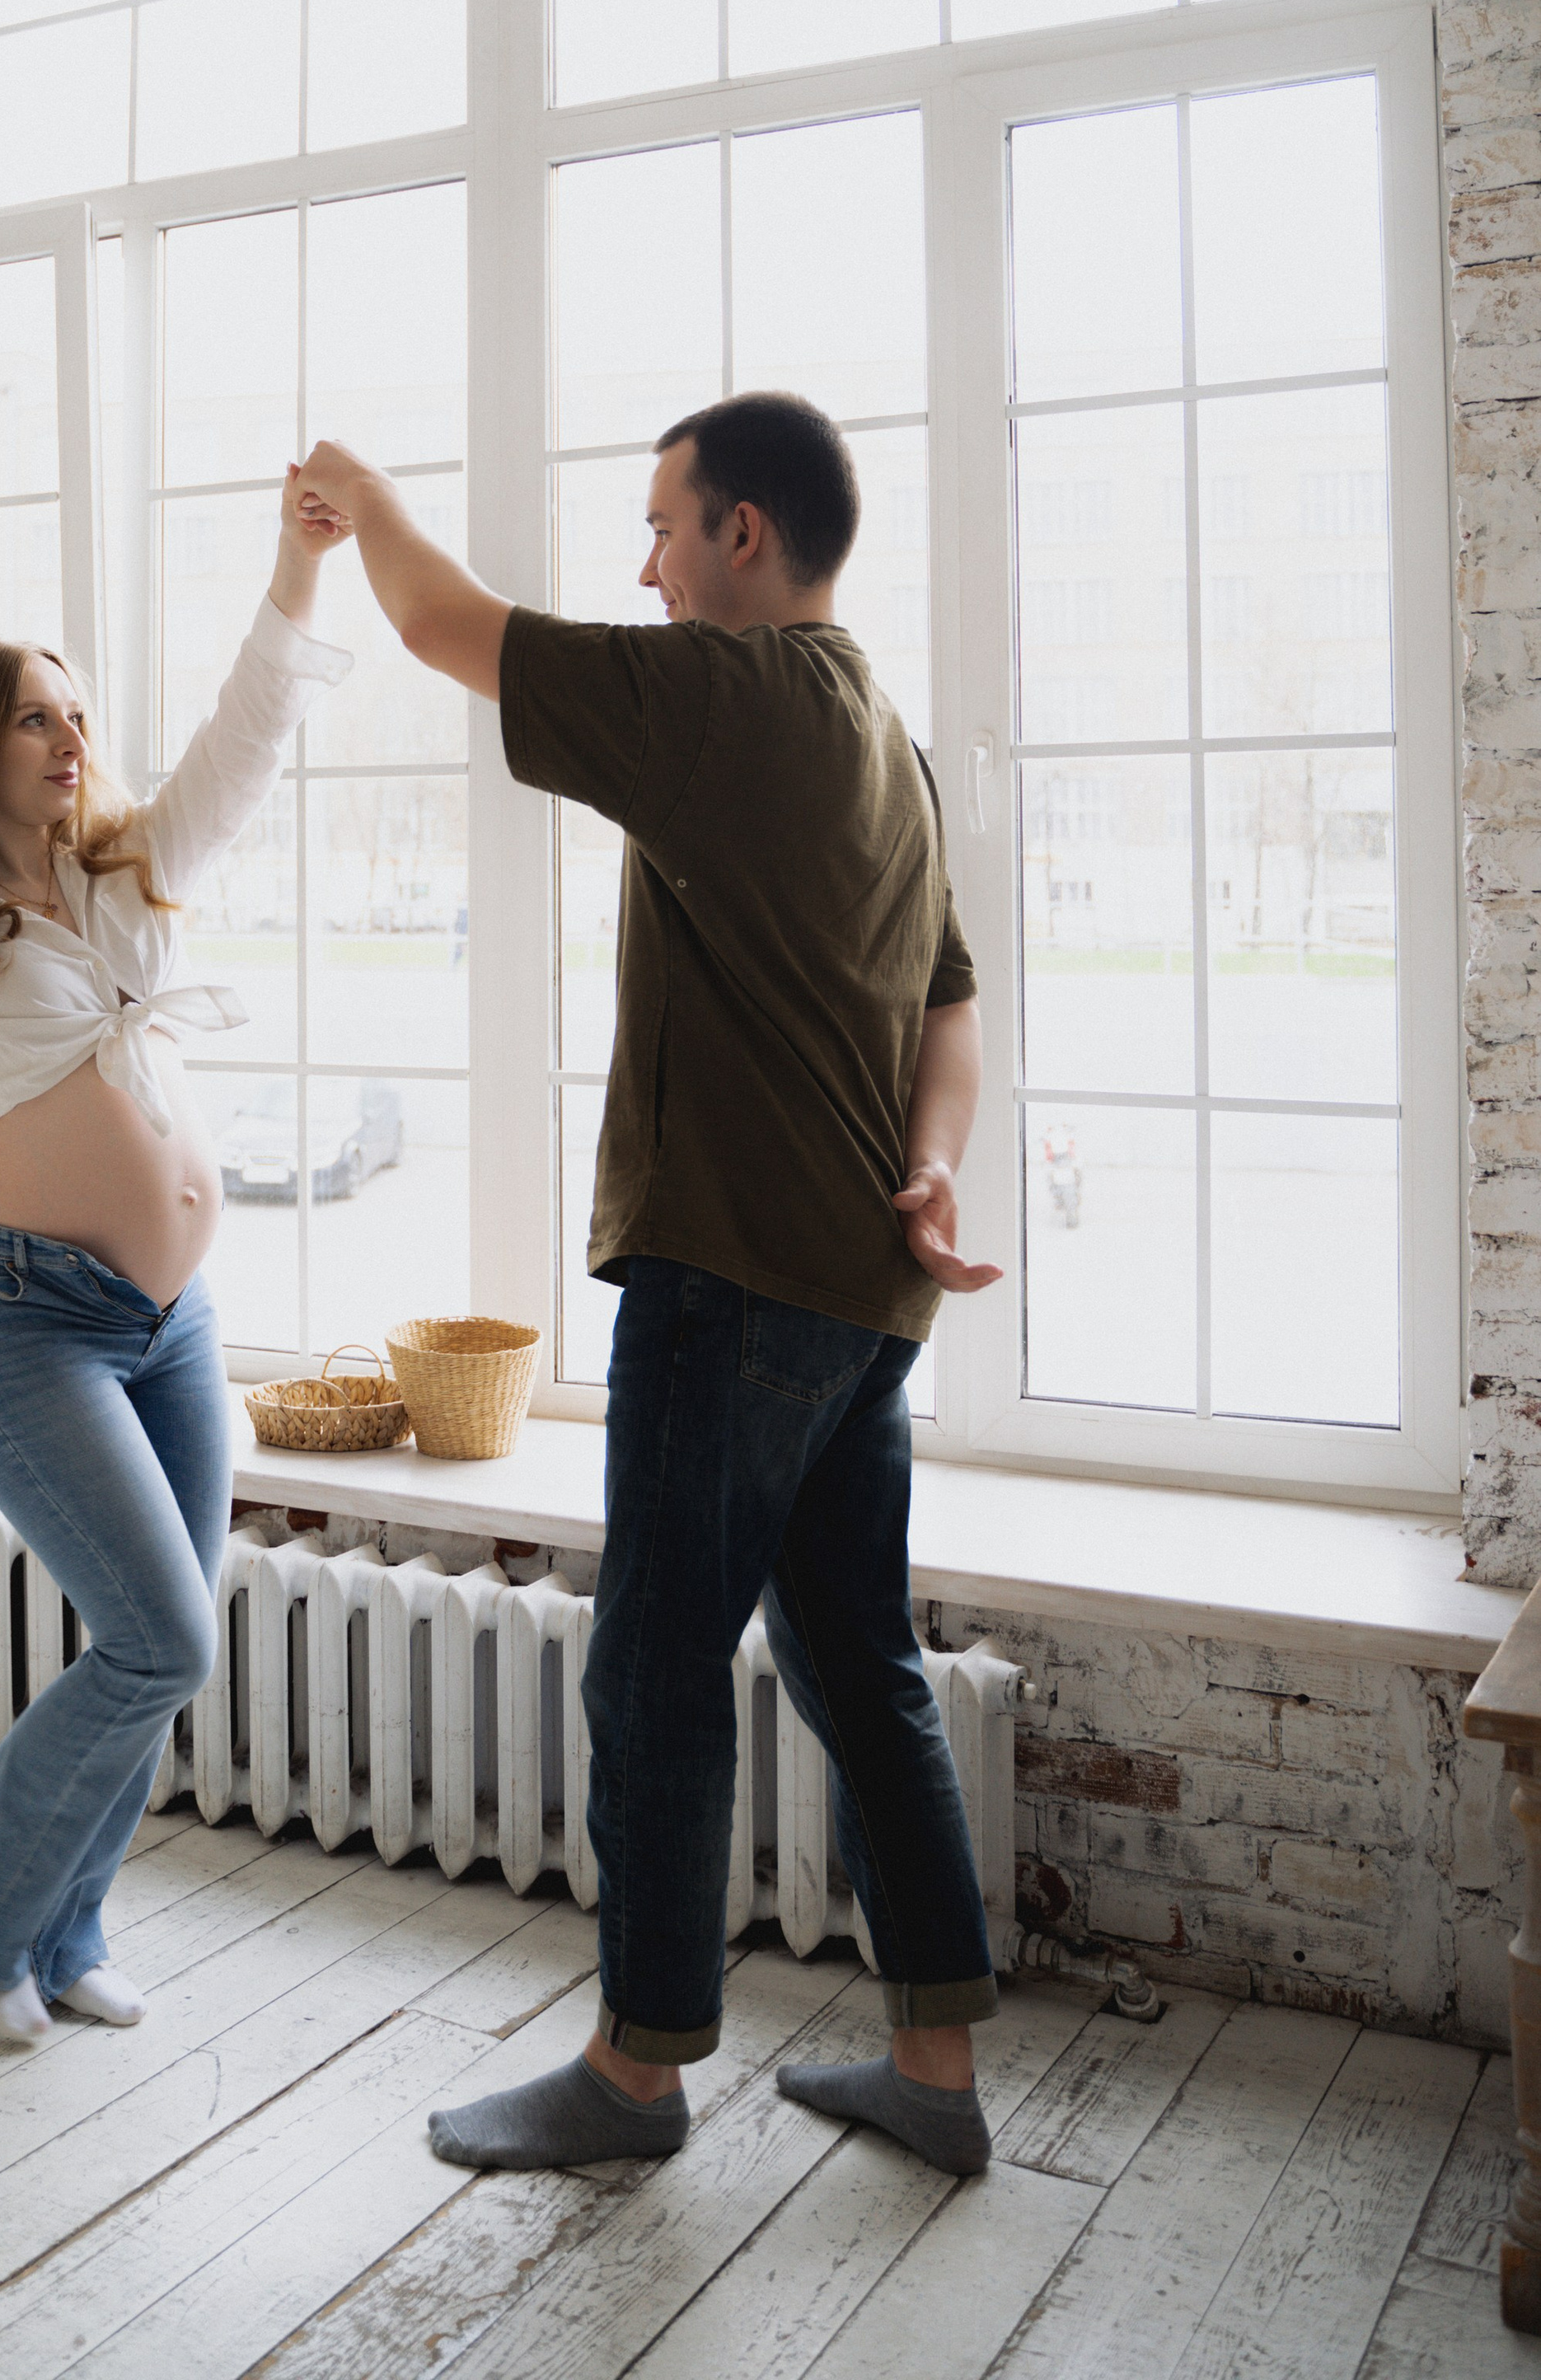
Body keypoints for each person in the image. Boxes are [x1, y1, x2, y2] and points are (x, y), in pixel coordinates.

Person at [293, 391, 1005, 2179]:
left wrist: (361, 484)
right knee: (857, 1661)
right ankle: (932, 2069)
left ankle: (632, 2077)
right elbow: (951, 1010)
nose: (647, 568)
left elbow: (443, 627)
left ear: (742, 534)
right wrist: (933, 1164)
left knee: (659, 1672)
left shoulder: (726, 698)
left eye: (663, 528)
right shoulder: (889, 742)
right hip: (860, 1295)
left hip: (733, 1279)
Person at [0, 479, 350, 2045]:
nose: (70, 740)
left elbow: (244, 742)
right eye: (35, 719)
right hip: (27, 1324)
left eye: (78, 715)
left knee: (162, 1646)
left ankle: (66, 1930)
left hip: (173, 1323)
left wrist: (298, 567)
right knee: (161, 1636)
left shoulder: (121, 872)